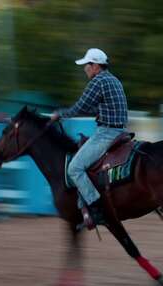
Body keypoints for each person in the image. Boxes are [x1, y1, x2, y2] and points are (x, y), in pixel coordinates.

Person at [51, 48, 128, 230]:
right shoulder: (113, 79)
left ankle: (96, 208)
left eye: (87, 65)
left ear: (95, 66)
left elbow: (81, 106)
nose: (85, 68)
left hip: (107, 133)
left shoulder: (98, 81)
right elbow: (98, 108)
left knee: (75, 168)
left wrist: (60, 115)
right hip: (119, 131)